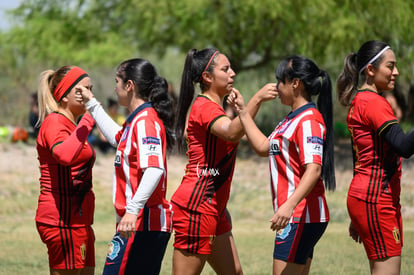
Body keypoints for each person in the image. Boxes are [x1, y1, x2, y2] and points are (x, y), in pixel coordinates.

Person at [171, 48, 277, 275]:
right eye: (225, 69)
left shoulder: (215, 108)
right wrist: (256, 100)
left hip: (212, 208)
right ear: (208, 77)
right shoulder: (204, 107)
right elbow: (231, 132)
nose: (233, 73)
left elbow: (249, 138)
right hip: (196, 208)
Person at [228, 55, 336, 275]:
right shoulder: (290, 119)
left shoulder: (309, 120)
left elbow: (313, 169)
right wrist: (243, 111)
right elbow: (263, 147)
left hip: (301, 216)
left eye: (280, 81)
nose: (276, 86)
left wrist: (289, 205)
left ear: (295, 83)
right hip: (296, 216)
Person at [78, 58, 175, 275]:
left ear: (129, 85)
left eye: (117, 81)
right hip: (136, 222)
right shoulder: (135, 121)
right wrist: (91, 103)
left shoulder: (145, 122)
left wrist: (132, 211)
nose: (115, 87)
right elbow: (117, 137)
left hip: (143, 223)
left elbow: (154, 169)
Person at [337, 40, 414, 275]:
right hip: (374, 200)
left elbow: (359, 157)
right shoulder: (373, 103)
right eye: (390, 66)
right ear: (371, 70)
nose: (396, 72)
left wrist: (360, 213)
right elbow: (403, 146)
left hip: (369, 199)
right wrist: (363, 211)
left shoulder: (361, 100)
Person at [35, 66, 96, 275]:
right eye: (82, 90)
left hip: (80, 220)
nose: (89, 95)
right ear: (63, 95)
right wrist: (88, 120)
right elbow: (64, 155)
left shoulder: (73, 125)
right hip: (61, 220)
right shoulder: (54, 122)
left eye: (91, 89)